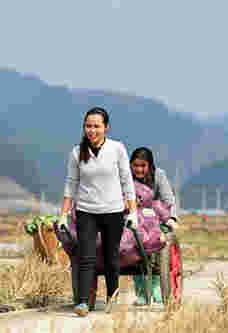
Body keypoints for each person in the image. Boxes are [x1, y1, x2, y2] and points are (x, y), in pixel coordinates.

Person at [58, 107, 138, 317]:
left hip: (113, 211)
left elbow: (126, 181)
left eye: (96, 126)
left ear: (106, 128)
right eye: (88, 126)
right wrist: (64, 214)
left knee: (111, 257)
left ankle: (112, 297)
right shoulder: (76, 152)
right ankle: (83, 302)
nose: (91, 130)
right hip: (86, 211)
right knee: (86, 256)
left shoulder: (117, 149)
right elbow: (71, 185)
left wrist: (133, 212)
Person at [129, 147, 179, 306]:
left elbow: (168, 200)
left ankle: (157, 286)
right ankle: (142, 292)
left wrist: (170, 218)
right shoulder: (126, 177)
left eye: (142, 166)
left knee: (159, 242)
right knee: (131, 244)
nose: (138, 169)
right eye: (135, 166)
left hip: (155, 217)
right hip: (132, 219)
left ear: (150, 166)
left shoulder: (159, 176)